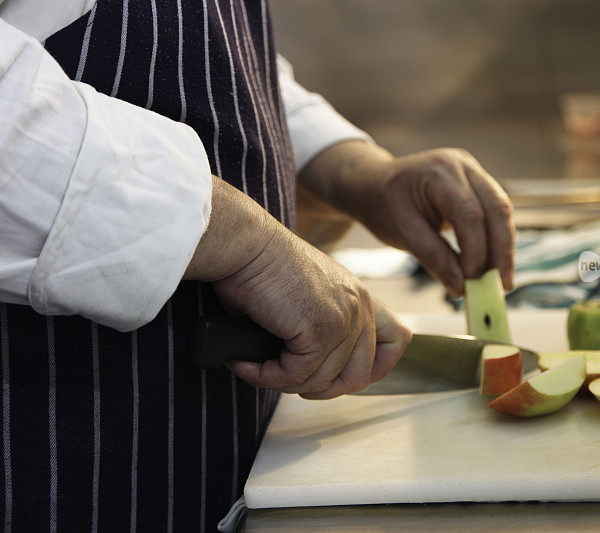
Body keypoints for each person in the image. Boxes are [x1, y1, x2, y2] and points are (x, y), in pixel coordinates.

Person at [0, 0, 515, 530]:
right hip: (59, 455)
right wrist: (251, 248)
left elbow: (217, 50)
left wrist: (353, 169)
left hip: (212, 449)